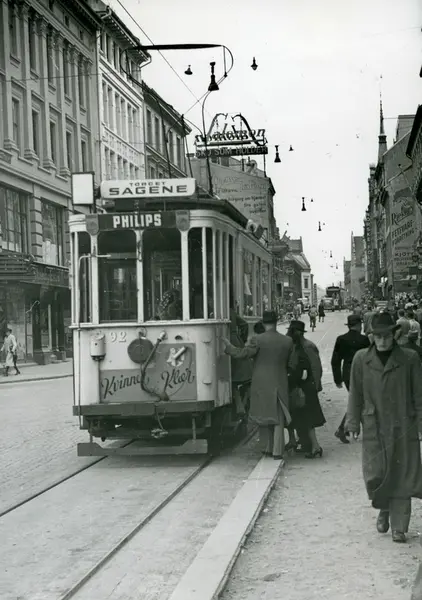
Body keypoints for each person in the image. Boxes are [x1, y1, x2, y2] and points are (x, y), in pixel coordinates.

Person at [345, 312, 422, 543]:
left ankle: (399, 526)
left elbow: (419, 395)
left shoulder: (409, 358)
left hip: (403, 425)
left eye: (386, 336)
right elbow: (355, 394)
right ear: (371, 336)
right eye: (377, 336)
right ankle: (385, 507)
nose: (382, 341)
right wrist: (352, 422)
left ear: (394, 335)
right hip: (374, 425)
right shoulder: (361, 359)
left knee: (403, 474)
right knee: (375, 474)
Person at [222, 310, 293, 459]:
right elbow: (291, 363)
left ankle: (268, 448)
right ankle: (277, 450)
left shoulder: (257, 340)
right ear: (276, 322)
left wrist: (229, 347)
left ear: (263, 323)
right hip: (280, 381)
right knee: (278, 417)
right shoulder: (287, 341)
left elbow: (242, 354)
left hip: (261, 383)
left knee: (265, 415)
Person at [286, 320, 325, 458]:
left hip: (306, 387)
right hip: (300, 387)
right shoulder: (297, 345)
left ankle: (315, 446)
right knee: (300, 417)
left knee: (307, 418)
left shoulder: (307, 346)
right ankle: (306, 444)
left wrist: (316, 385)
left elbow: (316, 367)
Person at [330, 315, 370, 443]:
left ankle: (345, 429)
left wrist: (337, 379)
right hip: (362, 372)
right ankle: (345, 429)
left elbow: (335, 361)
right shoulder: (364, 340)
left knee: (357, 400)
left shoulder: (341, 339)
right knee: (360, 401)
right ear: (358, 325)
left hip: (347, 373)